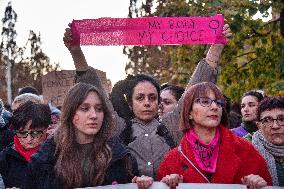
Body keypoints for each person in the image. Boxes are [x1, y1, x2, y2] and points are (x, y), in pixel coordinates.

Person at [63, 23, 232, 179]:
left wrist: (216, 48)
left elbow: (194, 89)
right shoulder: (119, 127)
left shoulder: (170, 126)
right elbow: (95, 90)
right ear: (130, 103)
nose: (146, 103)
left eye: (152, 97)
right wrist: (76, 51)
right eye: (140, 98)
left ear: (158, 102)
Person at [135, 82, 271, 189]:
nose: (214, 107)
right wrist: (168, 185)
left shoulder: (245, 150)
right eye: (205, 101)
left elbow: (269, 185)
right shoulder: (172, 159)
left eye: (219, 103)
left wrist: (260, 184)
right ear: (189, 112)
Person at [26, 83, 138, 189]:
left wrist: (140, 183)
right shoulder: (44, 159)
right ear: (70, 113)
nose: (94, 115)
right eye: (84, 109)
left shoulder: (121, 156)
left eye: (99, 109)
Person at [0, 101, 51, 189]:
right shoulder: (5, 158)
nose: (29, 139)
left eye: (35, 133)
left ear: (46, 129)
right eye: (22, 133)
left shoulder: (59, 154)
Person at [252, 96, 284, 186]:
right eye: (267, 120)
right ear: (259, 126)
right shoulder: (246, 153)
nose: (275, 126)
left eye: (282, 119)